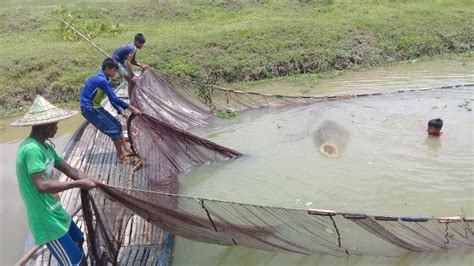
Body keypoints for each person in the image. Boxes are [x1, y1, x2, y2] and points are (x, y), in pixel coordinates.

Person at [12, 95, 100, 265]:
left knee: (78, 238)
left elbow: (70, 170)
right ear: (44, 125)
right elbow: (42, 185)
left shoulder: (46, 147)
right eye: (55, 124)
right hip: (45, 220)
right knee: (77, 262)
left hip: (56, 210)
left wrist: (95, 180)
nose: (57, 128)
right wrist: (77, 184)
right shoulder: (31, 149)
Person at [80, 58, 142, 164]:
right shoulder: (101, 80)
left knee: (117, 124)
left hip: (96, 107)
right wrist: (132, 108)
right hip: (89, 109)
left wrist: (121, 112)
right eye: (114, 70)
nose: (115, 73)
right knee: (113, 131)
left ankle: (127, 149)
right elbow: (114, 98)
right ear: (107, 69)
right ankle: (121, 157)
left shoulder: (104, 78)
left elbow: (111, 98)